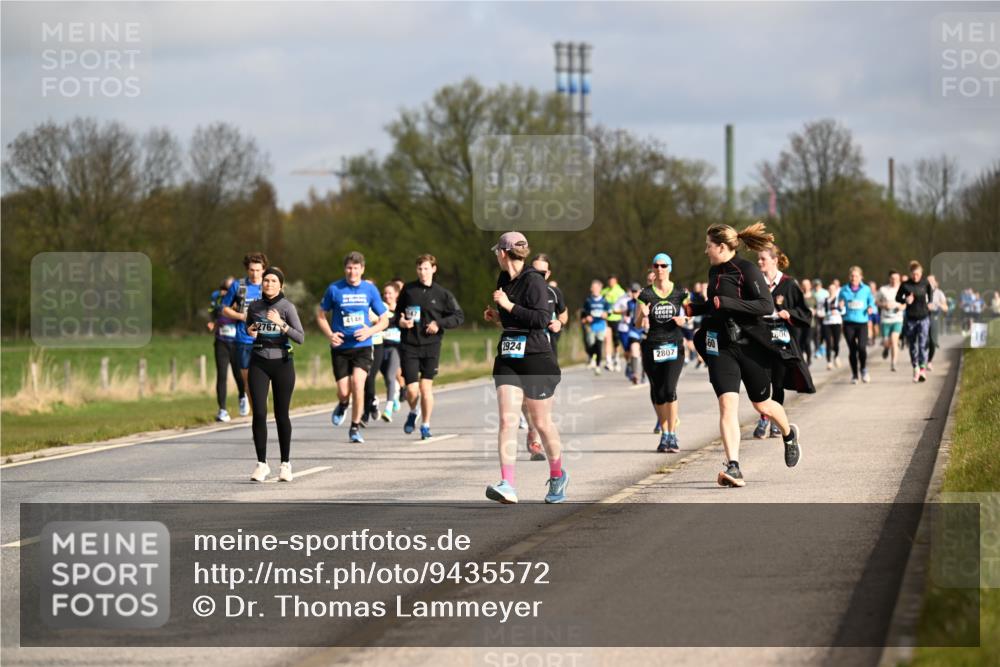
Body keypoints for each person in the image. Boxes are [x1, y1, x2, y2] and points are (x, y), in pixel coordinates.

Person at [690, 222, 802, 488]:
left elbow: (765, 305)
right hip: (721, 346)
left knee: (762, 405)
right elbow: (714, 306)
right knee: (727, 405)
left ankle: (788, 434)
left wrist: (727, 303)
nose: (705, 251)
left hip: (750, 346)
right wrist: (691, 309)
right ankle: (734, 466)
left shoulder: (747, 270)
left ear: (721, 247)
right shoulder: (714, 271)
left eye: (708, 246)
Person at [483, 232, 567, 504]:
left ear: (503, 253)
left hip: (536, 357)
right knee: (507, 420)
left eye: (497, 252)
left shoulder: (534, 280)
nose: (497, 256)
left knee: (541, 423)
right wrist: (497, 316)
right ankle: (507, 484)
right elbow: (513, 319)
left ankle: (557, 475)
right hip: (509, 356)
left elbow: (541, 319)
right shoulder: (503, 279)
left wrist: (508, 305)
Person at [317, 252, 389, 443]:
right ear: (345, 269)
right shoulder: (335, 289)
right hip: (340, 347)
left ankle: (355, 427)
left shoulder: (370, 290)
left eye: (356, 268)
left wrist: (370, 331)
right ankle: (343, 403)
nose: (352, 272)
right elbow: (321, 315)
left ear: (362, 269)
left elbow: (384, 320)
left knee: (358, 384)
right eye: (349, 268)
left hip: (362, 346)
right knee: (343, 391)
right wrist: (330, 335)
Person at [246, 267, 305, 482]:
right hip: (259, 362)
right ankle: (261, 464)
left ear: (281, 285)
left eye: (273, 281)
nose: (268, 284)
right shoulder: (254, 306)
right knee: (259, 413)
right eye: (266, 280)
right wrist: (250, 331)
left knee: (281, 414)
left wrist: (281, 323)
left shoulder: (287, 307)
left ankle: (285, 464)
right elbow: (249, 328)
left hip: (282, 363)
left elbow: (300, 337)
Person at [397, 254, 465, 440]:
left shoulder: (443, 294)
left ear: (434, 269)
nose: (423, 272)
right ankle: (414, 411)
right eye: (419, 269)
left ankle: (425, 425)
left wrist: (439, 323)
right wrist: (401, 322)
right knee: (412, 390)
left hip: (431, 345)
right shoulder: (408, 290)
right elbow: (397, 314)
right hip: (409, 344)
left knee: (425, 388)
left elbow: (458, 316)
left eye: (426, 268)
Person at [753, 244, 814, 438]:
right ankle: (765, 417)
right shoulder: (755, 283)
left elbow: (805, 313)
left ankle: (773, 423)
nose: (759, 262)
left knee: (777, 383)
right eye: (758, 258)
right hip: (760, 338)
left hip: (781, 339)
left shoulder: (789, 284)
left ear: (774, 260)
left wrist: (790, 313)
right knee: (761, 380)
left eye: (763, 258)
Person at [634, 253, 688, 452]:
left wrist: (685, 320)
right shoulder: (645, 295)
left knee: (670, 390)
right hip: (652, 347)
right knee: (658, 392)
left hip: (674, 345)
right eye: (656, 266)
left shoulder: (681, 292)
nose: (659, 269)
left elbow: (691, 314)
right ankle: (664, 434)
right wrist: (642, 315)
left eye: (664, 265)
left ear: (670, 268)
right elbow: (636, 324)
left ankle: (672, 434)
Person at [523, 254, 568, 461]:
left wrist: (559, 323)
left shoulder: (554, 292)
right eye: (534, 271)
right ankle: (532, 430)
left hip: (547, 350)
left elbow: (563, 314)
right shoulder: (520, 290)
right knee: (525, 398)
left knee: (542, 399)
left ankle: (537, 434)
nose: (538, 276)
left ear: (548, 274)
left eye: (542, 273)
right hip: (523, 350)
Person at [220, 252, 267, 416]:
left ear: (263, 270)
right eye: (252, 270)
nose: (255, 274)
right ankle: (258, 416)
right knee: (249, 382)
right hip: (243, 340)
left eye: (258, 270)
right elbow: (224, 309)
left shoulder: (269, 285)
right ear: (247, 269)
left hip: (265, 339)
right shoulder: (238, 286)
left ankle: (261, 410)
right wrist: (241, 316)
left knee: (263, 380)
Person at [209, 276, 246, 422]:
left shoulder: (242, 299)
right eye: (224, 289)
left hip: (237, 343)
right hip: (221, 342)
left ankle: (242, 396)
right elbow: (213, 314)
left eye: (230, 289)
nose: (226, 291)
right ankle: (222, 410)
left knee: (239, 374)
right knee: (222, 376)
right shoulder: (218, 299)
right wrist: (212, 323)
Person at [896, 260, 934, 383]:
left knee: (922, 344)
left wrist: (930, 302)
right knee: (912, 345)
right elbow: (897, 297)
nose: (915, 276)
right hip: (911, 319)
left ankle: (922, 369)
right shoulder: (905, 285)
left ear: (921, 273)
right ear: (910, 273)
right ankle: (915, 367)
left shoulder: (925, 282)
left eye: (917, 274)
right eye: (913, 274)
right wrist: (905, 300)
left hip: (924, 317)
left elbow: (930, 292)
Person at [838, 266, 877, 384]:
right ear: (849, 277)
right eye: (852, 276)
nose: (854, 278)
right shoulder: (844, 290)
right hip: (848, 323)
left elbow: (871, 302)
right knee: (852, 350)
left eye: (856, 276)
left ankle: (863, 369)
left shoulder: (866, 289)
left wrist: (870, 307)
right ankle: (855, 375)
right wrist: (840, 306)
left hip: (862, 323)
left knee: (862, 348)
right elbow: (840, 306)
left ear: (861, 277)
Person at [379, 282, 403, 422]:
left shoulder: (401, 309)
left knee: (390, 376)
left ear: (396, 294)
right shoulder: (380, 309)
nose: (387, 296)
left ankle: (388, 409)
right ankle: (395, 394)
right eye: (385, 293)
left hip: (396, 347)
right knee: (387, 379)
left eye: (390, 293)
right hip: (381, 347)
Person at [877, 270, 906, 372]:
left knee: (894, 340)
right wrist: (884, 305)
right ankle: (886, 348)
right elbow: (876, 301)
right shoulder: (883, 289)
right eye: (892, 278)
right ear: (889, 279)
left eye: (896, 279)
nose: (894, 280)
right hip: (885, 319)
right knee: (886, 342)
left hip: (897, 319)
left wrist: (901, 307)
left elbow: (905, 303)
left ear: (899, 279)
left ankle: (893, 363)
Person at [581, 280, 610, 374]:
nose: (593, 289)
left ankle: (597, 366)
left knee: (599, 345)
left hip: (601, 325)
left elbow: (609, 311)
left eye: (596, 288)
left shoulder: (604, 300)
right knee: (590, 345)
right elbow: (583, 314)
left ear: (600, 288)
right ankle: (592, 357)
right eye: (592, 288)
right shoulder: (588, 300)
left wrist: (606, 314)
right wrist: (587, 317)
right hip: (591, 326)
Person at [602, 275, 626, 371]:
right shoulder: (604, 291)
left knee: (616, 341)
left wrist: (618, 311)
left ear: (616, 281)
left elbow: (624, 306)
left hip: (617, 319)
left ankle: (616, 358)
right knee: (607, 339)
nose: (611, 283)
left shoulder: (621, 292)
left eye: (613, 281)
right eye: (609, 281)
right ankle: (608, 361)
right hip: (607, 319)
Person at [822, 278, 844, 370]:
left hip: (836, 322)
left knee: (836, 341)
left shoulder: (839, 300)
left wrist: (838, 310)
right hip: (827, 322)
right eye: (830, 289)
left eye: (833, 289)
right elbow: (822, 311)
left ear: (836, 289)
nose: (831, 290)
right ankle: (829, 362)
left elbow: (843, 311)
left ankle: (836, 356)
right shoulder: (825, 300)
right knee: (828, 342)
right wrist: (827, 313)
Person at [813, 279, 829, 360]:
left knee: (823, 332)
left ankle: (822, 345)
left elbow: (828, 304)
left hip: (824, 315)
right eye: (815, 285)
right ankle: (817, 349)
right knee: (816, 332)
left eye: (818, 285)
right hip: (816, 315)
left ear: (821, 285)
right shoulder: (812, 293)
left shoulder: (825, 292)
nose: (817, 287)